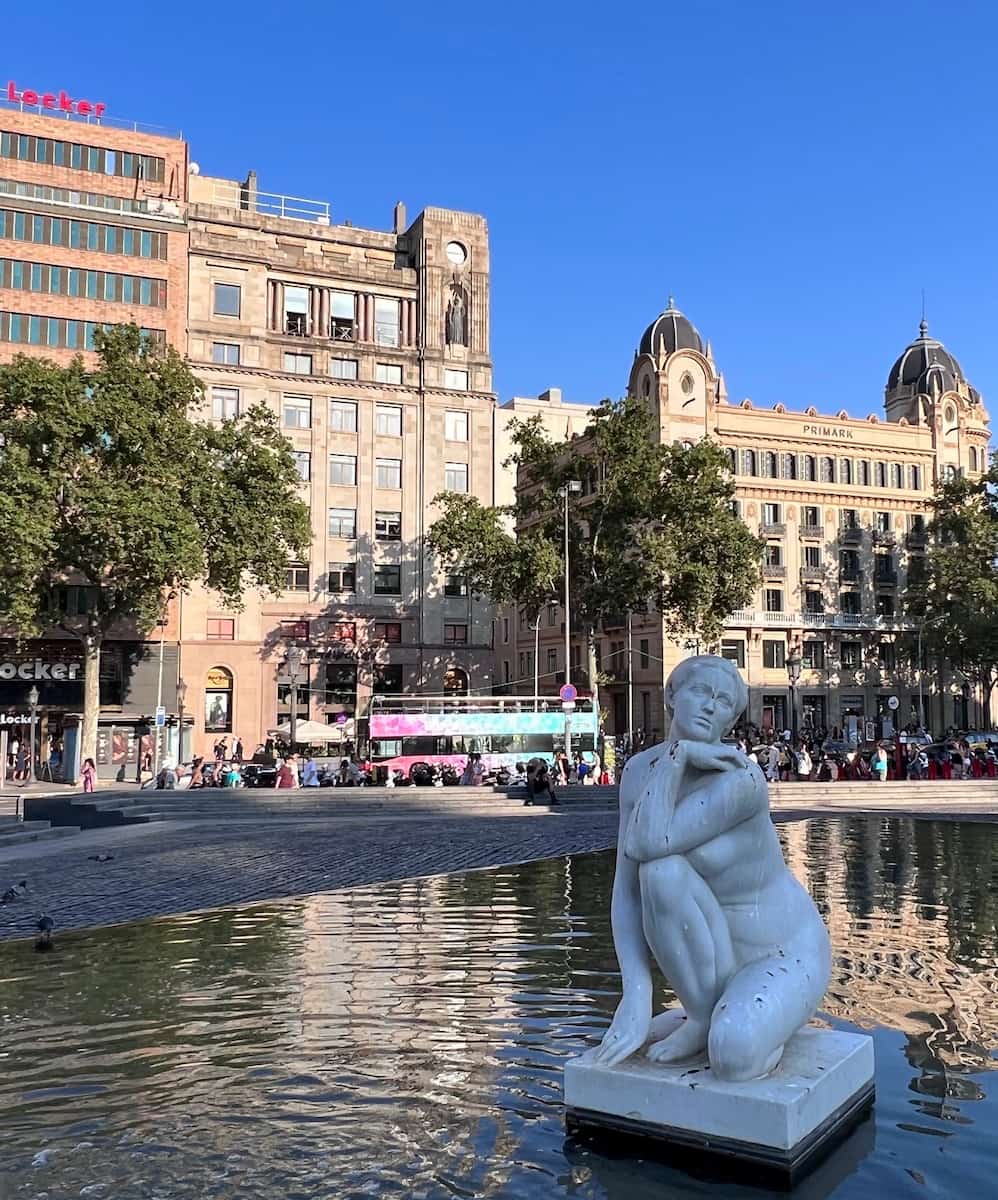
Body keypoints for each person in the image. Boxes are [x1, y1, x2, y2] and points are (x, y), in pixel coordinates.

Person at [595, 655, 830, 1080]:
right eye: (702, 692)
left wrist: (679, 755)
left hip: (782, 951)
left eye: (723, 703)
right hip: (712, 959)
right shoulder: (637, 771)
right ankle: (703, 1015)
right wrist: (636, 994)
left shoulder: (740, 778)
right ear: (671, 695)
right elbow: (627, 888)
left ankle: (751, 1026)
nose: (710, 707)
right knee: (659, 873)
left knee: (734, 1058)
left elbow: (651, 840)